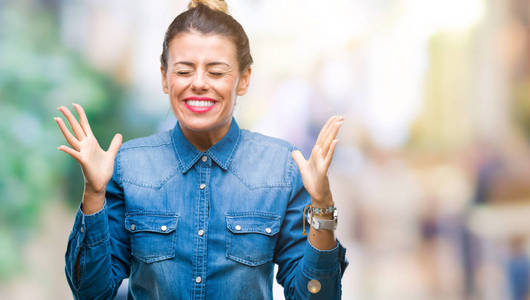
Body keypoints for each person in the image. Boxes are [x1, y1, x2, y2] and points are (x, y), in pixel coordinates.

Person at [56, 1, 348, 299]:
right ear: (164, 77)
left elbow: (315, 295)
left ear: (244, 79)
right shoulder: (128, 166)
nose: (198, 84)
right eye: (183, 71)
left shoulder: (282, 169)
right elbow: (92, 292)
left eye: (216, 72)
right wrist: (93, 194)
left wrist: (322, 206)